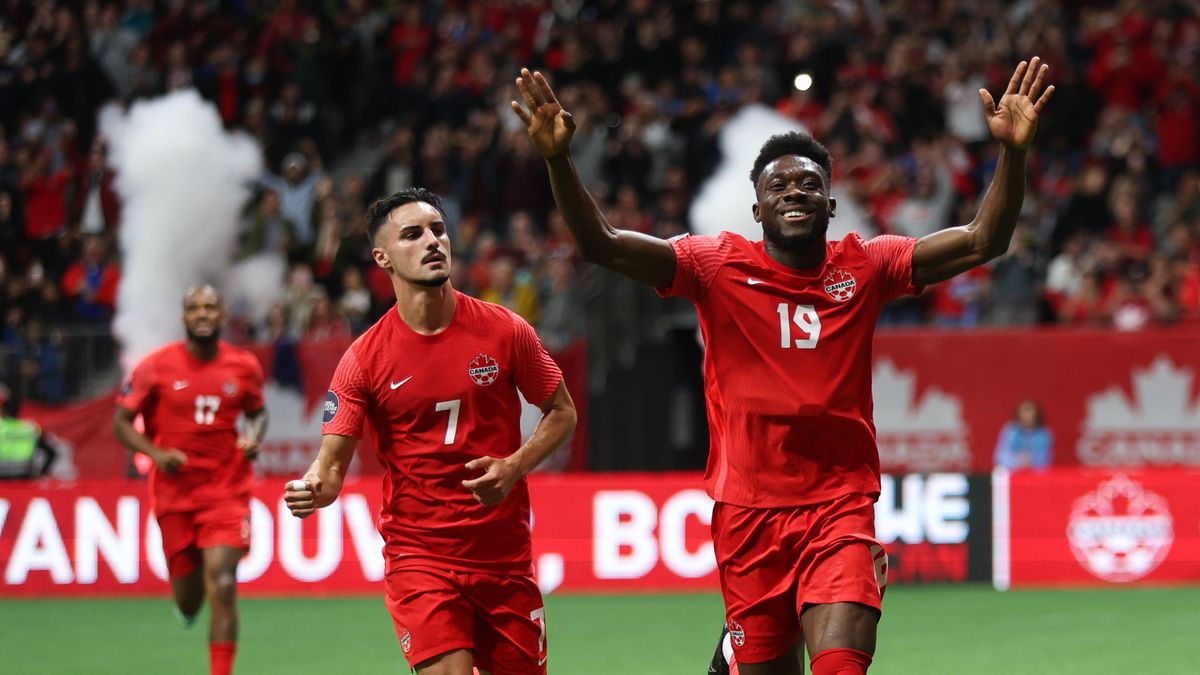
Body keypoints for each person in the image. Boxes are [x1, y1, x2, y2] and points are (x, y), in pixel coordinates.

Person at [513, 56, 1053, 675]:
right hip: (747, 517)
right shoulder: (713, 268)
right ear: (757, 210)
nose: (793, 193)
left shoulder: (868, 265)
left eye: (807, 186)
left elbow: (987, 238)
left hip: (839, 507)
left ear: (830, 205)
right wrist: (558, 159)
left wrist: (1013, 154)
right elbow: (601, 244)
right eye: (778, 188)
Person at [283, 188, 576, 675]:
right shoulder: (364, 359)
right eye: (412, 235)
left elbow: (562, 411)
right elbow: (330, 467)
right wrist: (313, 487)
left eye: (438, 230)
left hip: (504, 559)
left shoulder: (506, 330)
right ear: (383, 258)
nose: (432, 241)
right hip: (420, 559)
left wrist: (513, 466)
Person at [113, 285, 268, 675]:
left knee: (225, 583)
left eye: (210, 307)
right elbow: (121, 422)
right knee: (189, 600)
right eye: (195, 308)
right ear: (184, 317)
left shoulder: (244, 366)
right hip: (175, 494)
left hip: (227, 491)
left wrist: (254, 437)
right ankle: (184, 604)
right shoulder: (155, 367)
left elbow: (258, 412)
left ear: (222, 315)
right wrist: (155, 454)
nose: (202, 314)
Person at [0, 383, 58, 479]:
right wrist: (41, 473)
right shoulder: (30, 429)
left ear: (3, 411)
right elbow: (51, 453)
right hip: (24, 475)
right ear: (18, 411)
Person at [994, 399, 1053, 470]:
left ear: (1037, 414)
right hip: (1012, 473)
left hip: (1035, 475)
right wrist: (1017, 460)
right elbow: (999, 456)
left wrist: (1031, 461)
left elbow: (1045, 460)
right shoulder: (1010, 431)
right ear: (1018, 414)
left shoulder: (1044, 435)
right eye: (1025, 411)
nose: (1027, 416)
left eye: (1030, 411)